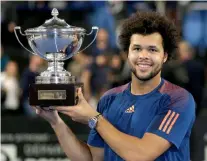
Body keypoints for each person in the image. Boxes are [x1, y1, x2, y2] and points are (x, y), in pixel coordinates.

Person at [33, 11, 196, 161]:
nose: (143, 56)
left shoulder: (178, 99)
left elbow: (141, 154)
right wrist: (56, 122)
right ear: (127, 53)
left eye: (152, 50)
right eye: (137, 48)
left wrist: (94, 118)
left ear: (165, 56)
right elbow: (92, 158)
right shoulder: (110, 98)